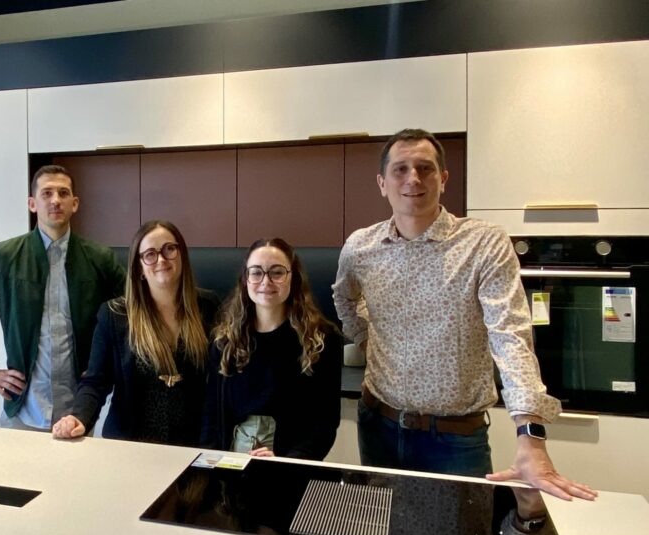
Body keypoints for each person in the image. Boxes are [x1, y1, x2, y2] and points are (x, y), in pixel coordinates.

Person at [332, 128, 597, 502]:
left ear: (443, 179)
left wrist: (531, 434)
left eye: (425, 168)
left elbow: (510, 334)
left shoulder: (483, 242)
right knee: (383, 532)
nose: (413, 178)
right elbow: (343, 298)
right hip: (379, 425)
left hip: (455, 439)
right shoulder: (360, 247)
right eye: (400, 169)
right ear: (382, 183)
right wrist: (366, 338)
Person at [0, 165, 125, 429]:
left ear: (75, 203)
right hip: (23, 409)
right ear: (32, 203)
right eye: (47, 193)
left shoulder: (100, 259)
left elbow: (132, 316)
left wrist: (107, 366)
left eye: (63, 193)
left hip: (79, 412)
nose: (55, 200)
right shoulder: (3, 256)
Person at [52, 220, 219, 446]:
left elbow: (222, 381)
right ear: (138, 267)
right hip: (130, 446)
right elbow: (95, 381)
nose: (161, 260)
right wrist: (79, 416)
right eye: (150, 254)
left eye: (169, 249)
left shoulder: (208, 306)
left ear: (182, 255)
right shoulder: (114, 315)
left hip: (192, 447)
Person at [201, 238, 341, 459]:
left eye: (277, 272)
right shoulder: (224, 341)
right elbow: (211, 415)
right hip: (230, 466)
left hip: (291, 468)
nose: (266, 282)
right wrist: (211, 463)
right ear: (245, 279)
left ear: (293, 277)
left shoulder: (321, 340)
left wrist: (288, 462)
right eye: (256, 272)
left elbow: (324, 423)